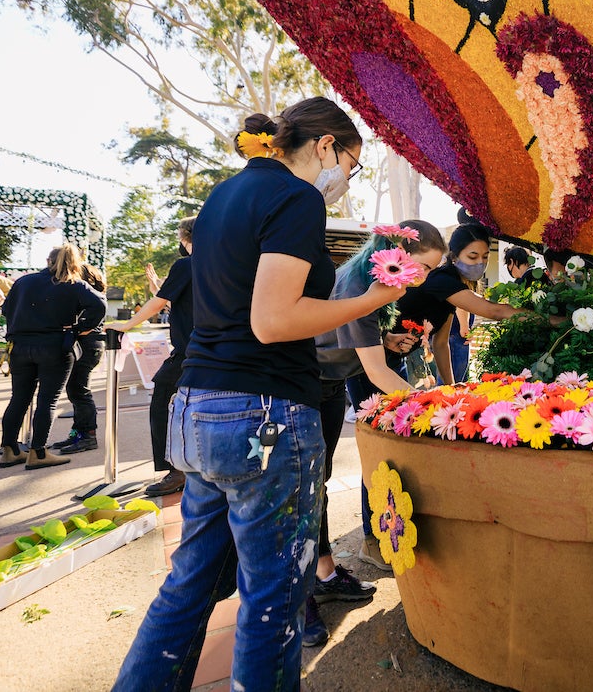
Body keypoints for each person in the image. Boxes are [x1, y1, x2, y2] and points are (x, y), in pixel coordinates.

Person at [115, 97, 407, 691]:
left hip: (198, 406)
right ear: (326, 146)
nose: (346, 178)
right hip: (263, 415)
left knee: (190, 584)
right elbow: (274, 321)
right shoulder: (295, 198)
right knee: (272, 599)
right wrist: (375, 300)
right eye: (351, 163)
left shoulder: (223, 196)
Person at [308, 219, 447, 645]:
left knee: (319, 484)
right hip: (303, 387)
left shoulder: (374, 281)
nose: (423, 279)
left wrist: (386, 340)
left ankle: (324, 572)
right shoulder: (363, 285)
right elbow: (376, 373)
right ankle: (298, 601)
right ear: (395, 254)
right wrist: (437, 409)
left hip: (327, 387)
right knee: (304, 489)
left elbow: (355, 339)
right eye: (421, 268)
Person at [107, 217, 197, 496]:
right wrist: (159, 285)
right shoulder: (223, 262)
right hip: (219, 350)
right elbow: (176, 299)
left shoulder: (186, 265)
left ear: (185, 238)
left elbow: (160, 302)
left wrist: (125, 324)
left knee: (162, 404)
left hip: (190, 352)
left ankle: (176, 470)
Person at [0, 244, 105, 470]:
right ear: (75, 263)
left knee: (19, 398)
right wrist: (80, 328)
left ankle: (9, 449)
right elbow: (100, 304)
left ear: (48, 260)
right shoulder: (74, 284)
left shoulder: (23, 282)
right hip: (54, 345)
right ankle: (38, 452)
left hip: (20, 346)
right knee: (47, 400)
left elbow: (6, 309)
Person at [395, 222, 534, 384]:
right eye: (473, 256)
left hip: (396, 355)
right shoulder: (442, 280)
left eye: (485, 256)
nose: (480, 263)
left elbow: (440, 343)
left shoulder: (451, 283)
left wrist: (451, 388)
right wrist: (551, 320)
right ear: (454, 257)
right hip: (376, 352)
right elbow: (495, 311)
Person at [53, 261, 108, 454]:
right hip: (86, 346)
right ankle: (77, 432)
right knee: (75, 389)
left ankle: (88, 436)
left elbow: (89, 320)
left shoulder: (90, 297)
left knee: (79, 390)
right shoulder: (83, 297)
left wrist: (79, 329)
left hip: (88, 347)